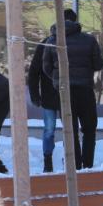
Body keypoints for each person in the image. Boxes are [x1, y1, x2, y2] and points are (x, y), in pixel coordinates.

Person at [42, 8, 103, 169]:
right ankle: (88, 165)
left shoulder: (52, 40)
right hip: (85, 90)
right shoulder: (89, 40)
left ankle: (75, 166)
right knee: (89, 129)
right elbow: (98, 64)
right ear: (76, 22)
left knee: (70, 131)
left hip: (63, 92)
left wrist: (58, 80)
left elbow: (46, 67)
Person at [28, 31, 61, 172]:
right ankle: (51, 161)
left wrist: (35, 95)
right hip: (57, 94)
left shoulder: (45, 43)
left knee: (49, 130)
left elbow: (34, 72)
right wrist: (35, 94)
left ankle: (49, 161)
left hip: (50, 95)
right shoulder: (45, 44)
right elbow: (34, 71)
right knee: (57, 130)